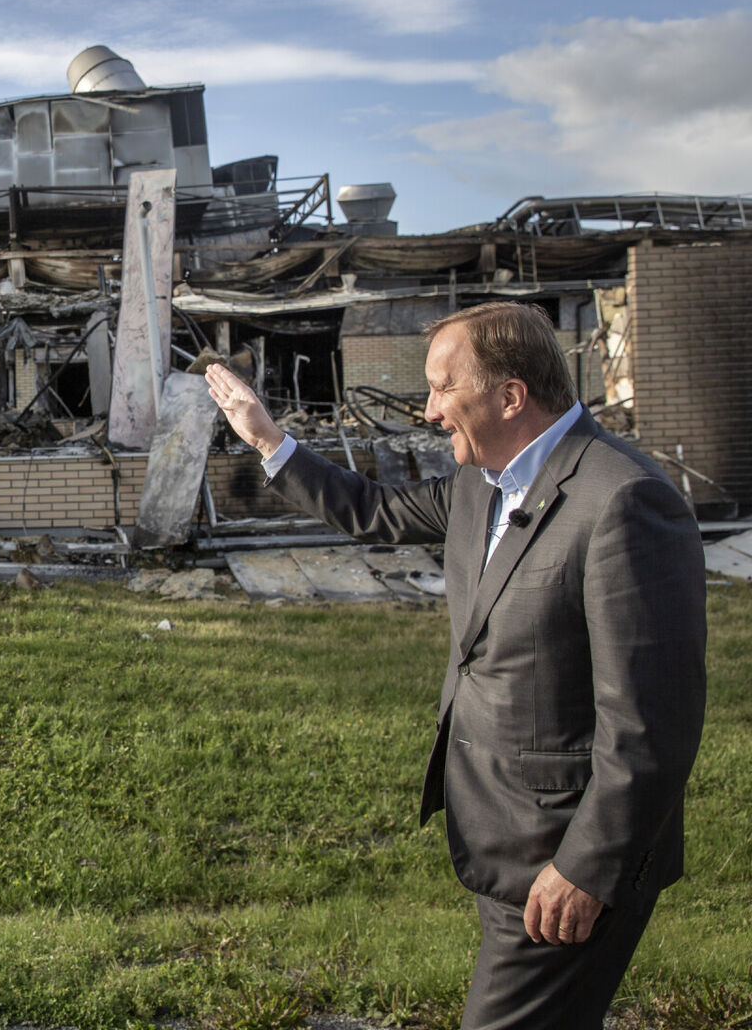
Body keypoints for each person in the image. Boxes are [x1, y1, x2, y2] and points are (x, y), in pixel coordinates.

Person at [205, 301, 706, 1030]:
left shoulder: (623, 501)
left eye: (444, 388)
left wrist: (587, 867)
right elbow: (374, 510)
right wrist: (270, 440)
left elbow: (652, 722)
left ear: (510, 395)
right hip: (503, 832)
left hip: (563, 856)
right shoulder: (486, 480)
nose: (430, 411)